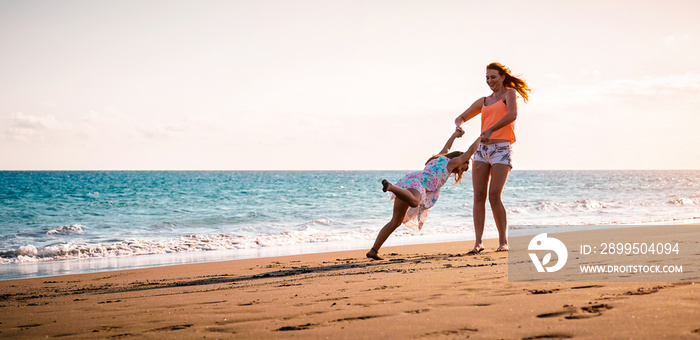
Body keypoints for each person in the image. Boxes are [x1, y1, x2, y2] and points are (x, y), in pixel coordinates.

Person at [366, 128, 481, 260]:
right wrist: (480, 139)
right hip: (418, 184)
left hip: (407, 182)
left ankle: (373, 250)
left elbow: (447, 147)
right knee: (414, 201)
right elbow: (469, 152)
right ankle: (391, 187)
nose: (460, 170)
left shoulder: (439, 158)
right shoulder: (450, 163)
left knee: (395, 222)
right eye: (463, 167)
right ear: (458, 160)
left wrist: (454, 135)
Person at [454, 62, 531, 254]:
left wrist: (491, 129)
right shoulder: (484, 101)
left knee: (494, 196)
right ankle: (478, 243)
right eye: (487, 78)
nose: (490, 81)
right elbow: (461, 117)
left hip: (501, 149)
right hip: (481, 150)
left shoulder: (509, 94)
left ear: (502, 77)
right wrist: (459, 126)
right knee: (478, 196)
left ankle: (503, 242)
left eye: (493, 77)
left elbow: (512, 115)